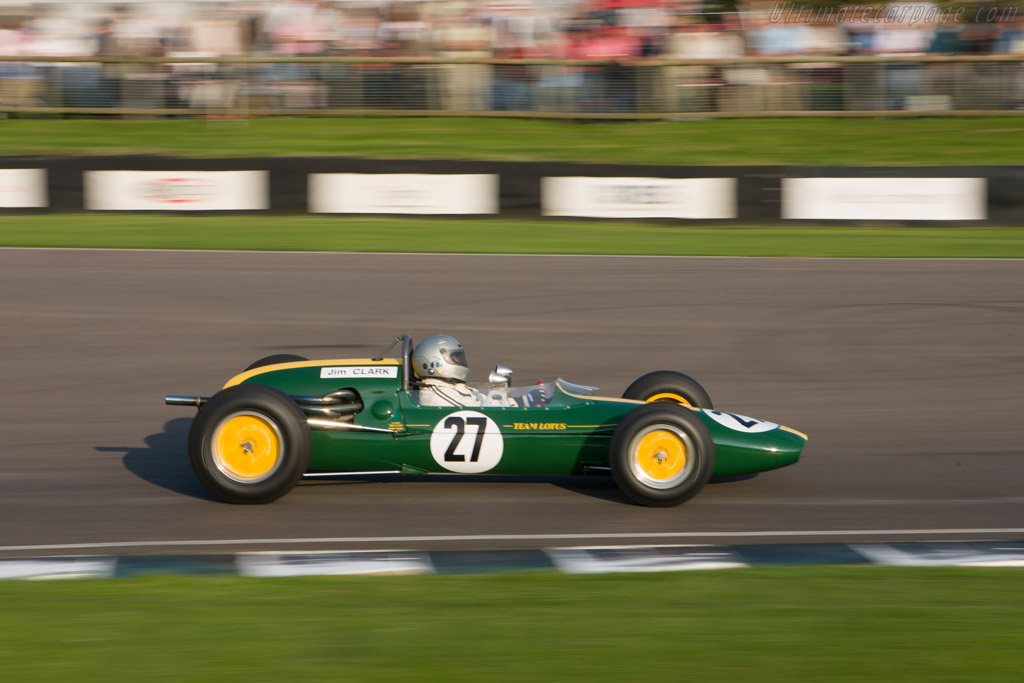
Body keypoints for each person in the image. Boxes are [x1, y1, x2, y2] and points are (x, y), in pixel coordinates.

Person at [411, 334, 491, 407]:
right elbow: (483, 409)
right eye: (456, 358)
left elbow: (486, 400)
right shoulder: (438, 396)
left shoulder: (451, 386)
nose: (460, 361)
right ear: (435, 363)